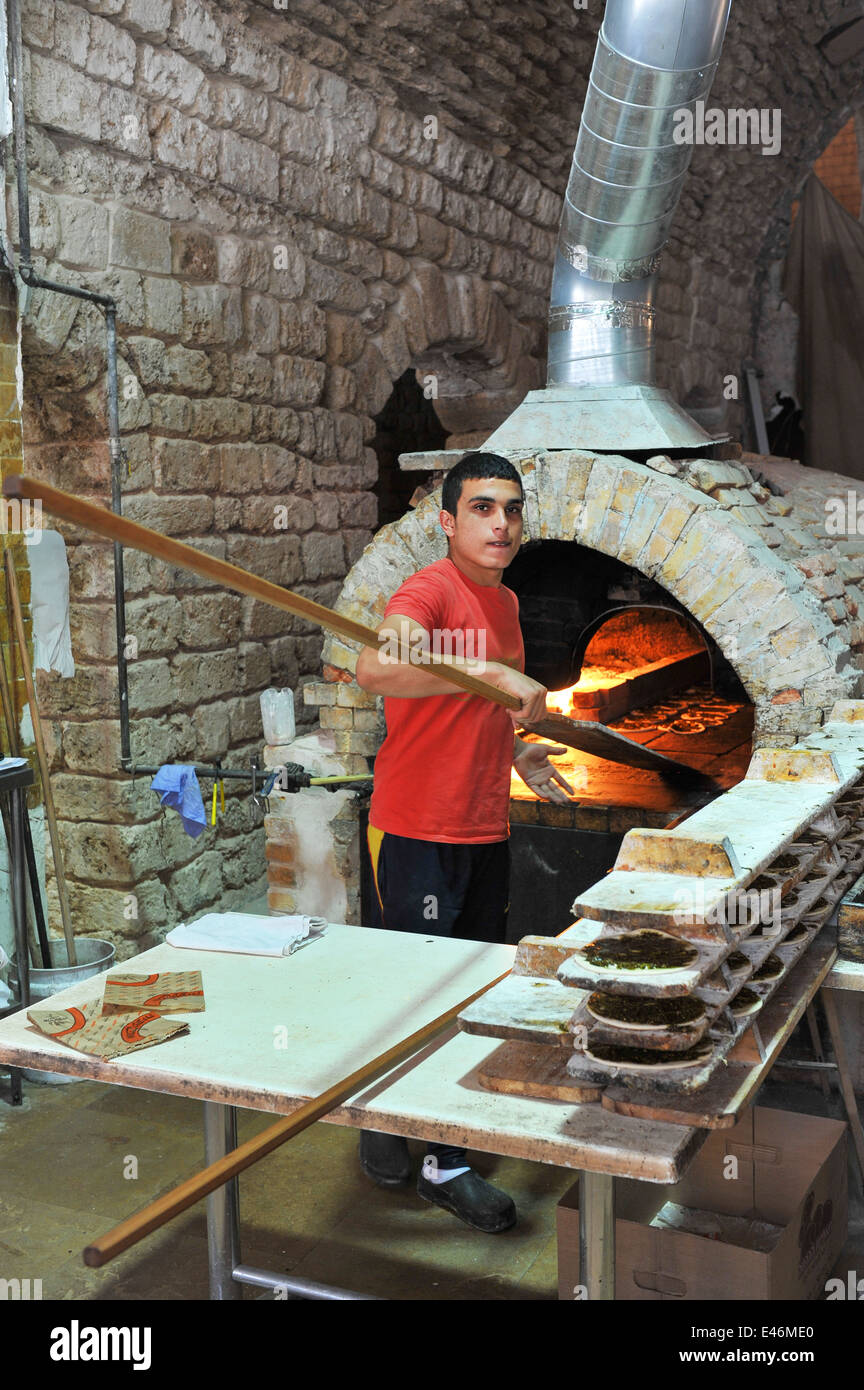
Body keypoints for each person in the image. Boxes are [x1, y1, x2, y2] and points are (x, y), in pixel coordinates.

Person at [354, 452, 578, 1233]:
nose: (501, 523)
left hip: (485, 824)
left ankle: (399, 1131)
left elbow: (473, 711)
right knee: (414, 996)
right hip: (417, 827)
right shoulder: (429, 589)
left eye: (512, 509)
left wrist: (514, 749)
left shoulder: (509, 604)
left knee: (467, 993)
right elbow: (379, 665)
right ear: (447, 521)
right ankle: (433, 1157)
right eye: (482, 508)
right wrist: (488, 672)